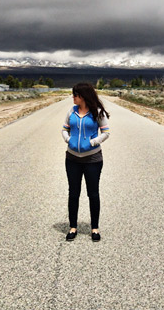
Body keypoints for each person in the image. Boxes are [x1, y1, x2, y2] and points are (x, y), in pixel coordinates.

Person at [61, 82, 110, 241]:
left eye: (75, 94)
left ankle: (94, 228)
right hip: (72, 159)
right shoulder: (71, 112)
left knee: (93, 193)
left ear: (83, 96)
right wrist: (69, 140)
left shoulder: (97, 112)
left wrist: (92, 142)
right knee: (73, 193)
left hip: (93, 160)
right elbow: (64, 129)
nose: (73, 97)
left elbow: (106, 133)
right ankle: (72, 227)